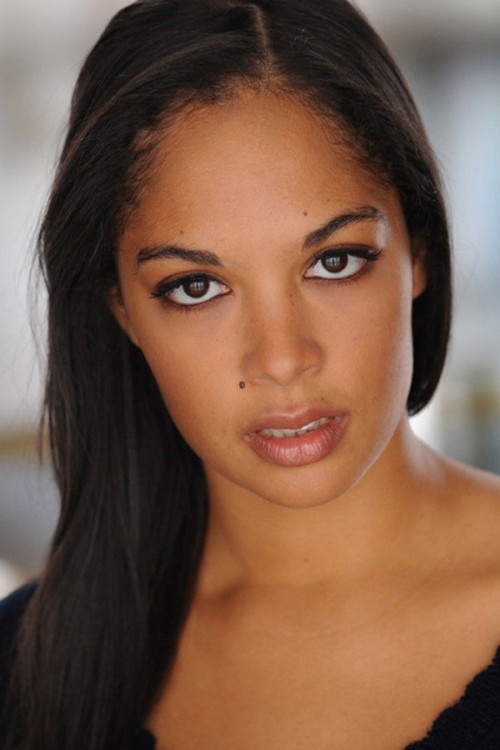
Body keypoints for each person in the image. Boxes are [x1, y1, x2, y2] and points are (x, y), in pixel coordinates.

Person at [1, 0, 500, 748]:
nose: (282, 358)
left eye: (335, 261)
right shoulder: (23, 670)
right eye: (196, 287)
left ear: (419, 251)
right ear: (121, 308)